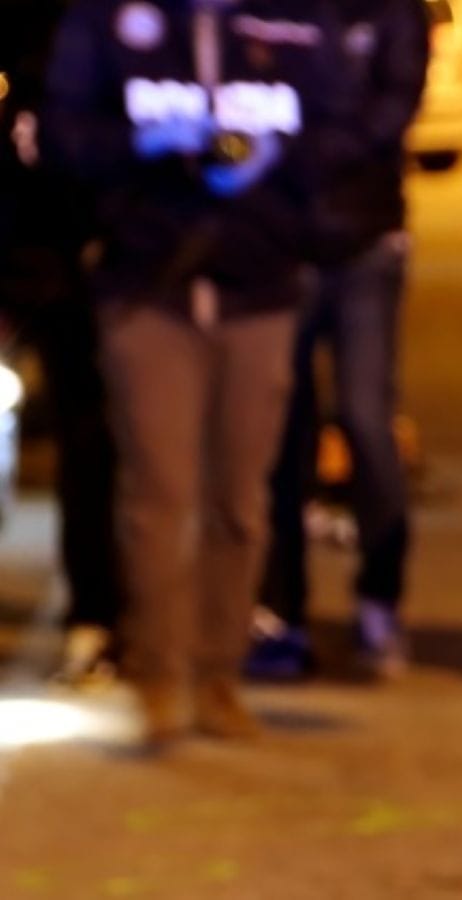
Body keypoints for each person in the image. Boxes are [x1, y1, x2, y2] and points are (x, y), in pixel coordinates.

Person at [44, 0, 354, 749]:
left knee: (241, 502)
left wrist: (277, 162)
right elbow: (63, 135)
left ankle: (218, 677)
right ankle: (158, 674)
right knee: (159, 496)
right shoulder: (110, 19)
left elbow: (342, 132)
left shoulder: (292, 19)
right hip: (148, 291)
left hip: (260, 291)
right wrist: (144, 144)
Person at [248, 0, 429, 682]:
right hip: (280, 245)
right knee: (280, 432)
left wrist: (288, 147)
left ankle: (380, 601)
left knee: (365, 419)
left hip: (365, 242)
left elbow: (390, 113)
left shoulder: (394, 12)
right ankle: (282, 613)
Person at [1, 0, 127, 688]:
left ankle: (111, 615)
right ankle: (97, 615)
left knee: (111, 444)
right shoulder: (34, 45)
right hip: (42, 259)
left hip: (119, 262)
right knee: (87, 441)